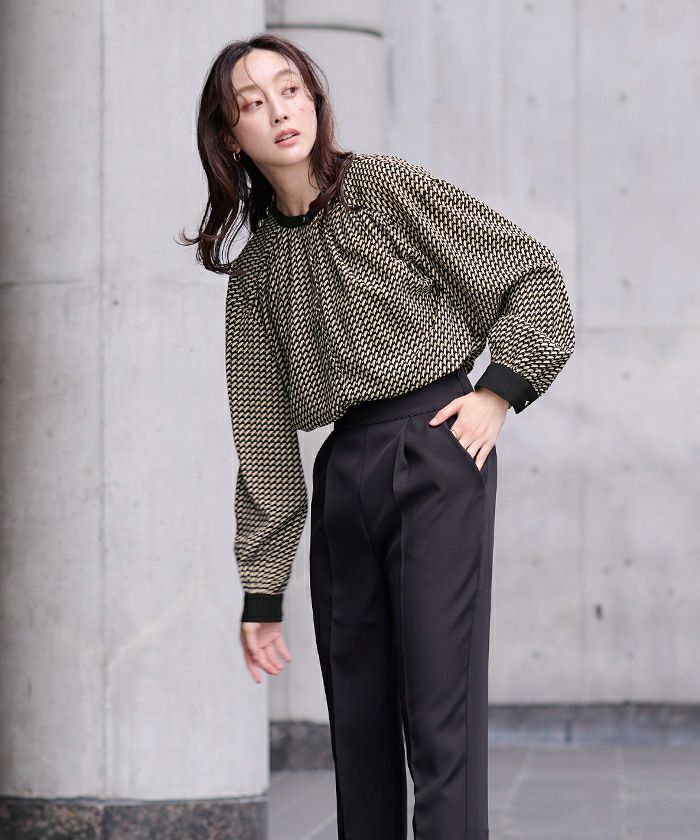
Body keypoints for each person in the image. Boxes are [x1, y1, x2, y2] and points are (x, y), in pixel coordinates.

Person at [182, 32, 575, 840]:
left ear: (314, 99)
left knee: (438, 717)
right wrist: (262, 592)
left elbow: (530, 274)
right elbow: (262, 440)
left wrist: (496, 394)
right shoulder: (255, 277)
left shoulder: (385, 188)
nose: (278, 110)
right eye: (252, 103)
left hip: (436, 448)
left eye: (289, 89)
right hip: (344, 476)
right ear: (232, 137)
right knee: (357, 729)